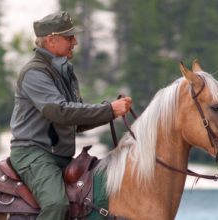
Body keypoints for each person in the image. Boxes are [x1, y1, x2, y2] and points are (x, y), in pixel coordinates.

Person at [9, 11, 132, 220]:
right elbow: (60, 113)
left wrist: (109, 112)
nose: (74, 42)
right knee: (56, 204)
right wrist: (109, 110)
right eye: (69, 37)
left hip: (59, 156)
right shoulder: (34, 73)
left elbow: (76, 121)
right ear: (51, 40)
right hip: (33, 154)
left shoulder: (65, 71)